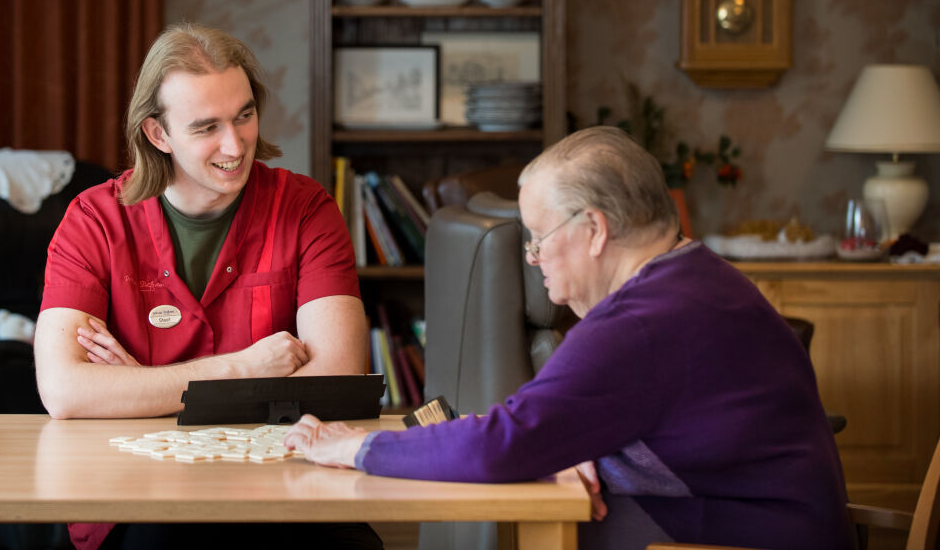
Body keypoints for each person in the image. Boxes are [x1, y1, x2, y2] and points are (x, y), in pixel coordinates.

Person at [285, 125, 853, 550]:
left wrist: (354, 447)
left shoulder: (640, 320)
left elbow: (502, 443)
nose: (533, 260)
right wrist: (578, 444)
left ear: (594, 229)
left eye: (537, 238)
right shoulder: (699, 277)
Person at [35, 23, 378, 550]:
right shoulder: (94, 220)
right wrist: (242, 369)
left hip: (284, 482)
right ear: (158, 134)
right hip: (138, 487)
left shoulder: (307, 209)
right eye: (206, 127)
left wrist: (149, 389)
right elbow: (64, 391)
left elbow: (335, 377)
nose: (235, 144)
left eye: (244, 115)